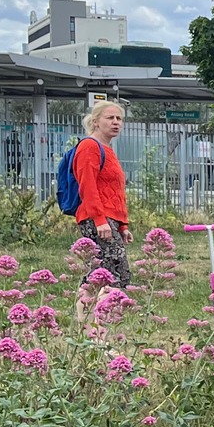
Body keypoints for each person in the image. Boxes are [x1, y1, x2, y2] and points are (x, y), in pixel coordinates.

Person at [71, 101, 130, 288]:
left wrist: (123, 225)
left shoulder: (108, 150)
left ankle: (87, 316)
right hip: (96, 219)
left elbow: (115, 192)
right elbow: (87, 186)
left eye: (119, 119)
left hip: (110, 219)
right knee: (114, 274)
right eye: (110, 118)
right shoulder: (89, 147)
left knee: (100, 273)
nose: (116, 122)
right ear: (96, 122)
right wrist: (99, 220)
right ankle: (103, 315)